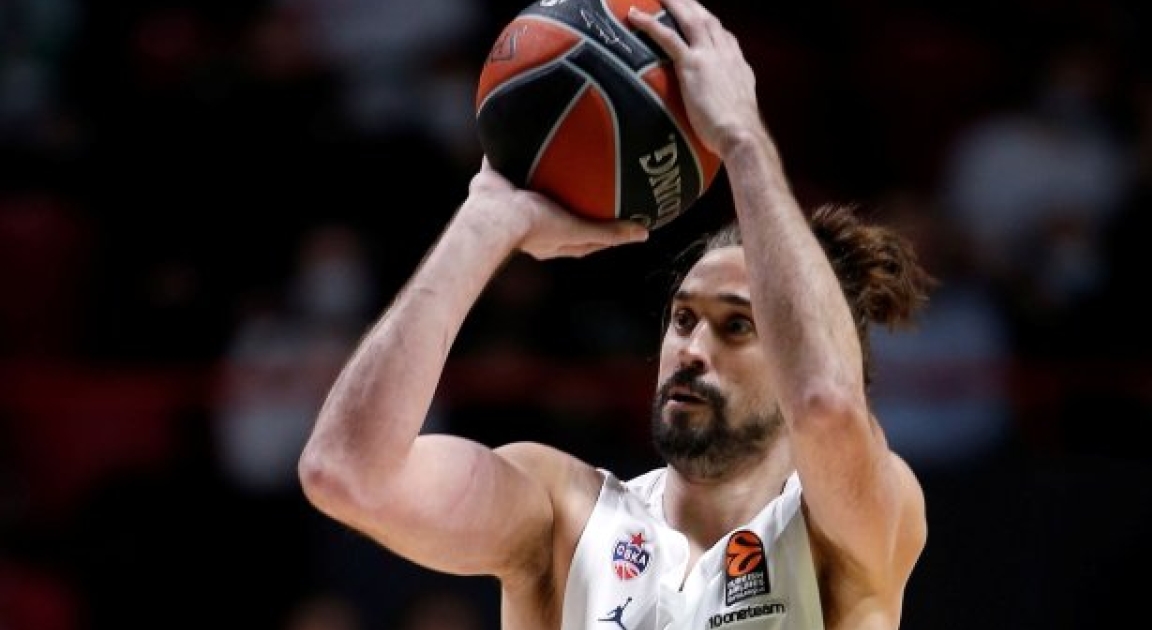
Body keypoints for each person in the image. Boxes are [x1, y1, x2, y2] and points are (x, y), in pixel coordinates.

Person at [298, 0, 935, 628]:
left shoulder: (852, 526)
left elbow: (826, 403)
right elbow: (346, 473)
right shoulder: (563, 516)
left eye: (737, 325)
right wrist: (485, 221)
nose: (692, 349)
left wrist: (742, 141)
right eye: (683, 319)